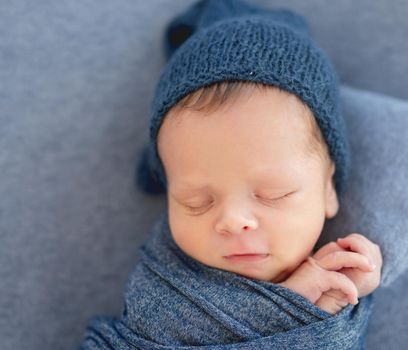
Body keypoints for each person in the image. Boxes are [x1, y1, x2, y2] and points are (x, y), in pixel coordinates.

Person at [133, 0, 383, 316]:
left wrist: (344, 295)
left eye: (273, 193)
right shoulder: (163, 279)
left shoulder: (335, 275)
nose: (234, 221)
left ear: (328, 188)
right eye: (195, 201)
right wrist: (292, 305)